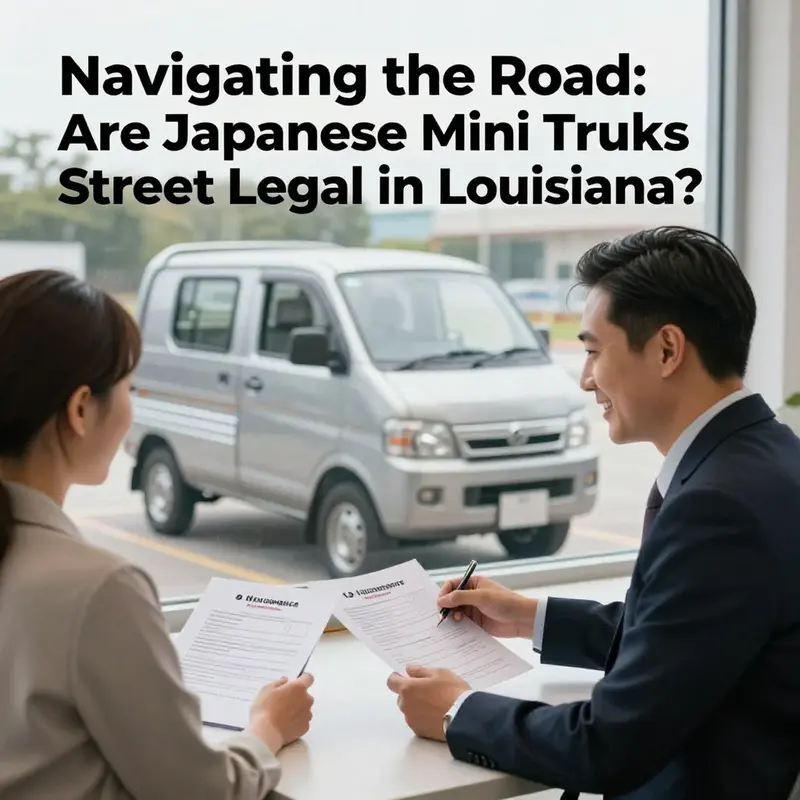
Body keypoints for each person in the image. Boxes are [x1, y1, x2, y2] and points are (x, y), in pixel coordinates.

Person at [387, 226, 800, 799]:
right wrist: (529, 615)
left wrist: (458, 711)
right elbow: (691, 636)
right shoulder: (771, 458)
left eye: (592, 350)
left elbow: (609, 745)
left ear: (667, 350)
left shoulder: (718, 507)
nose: (585, 380)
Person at [0, 270, 315, 800]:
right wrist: (268, 727)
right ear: (80, 410)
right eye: (127, 387)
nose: (131, 407)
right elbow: (199, 793)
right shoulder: (96, 588)